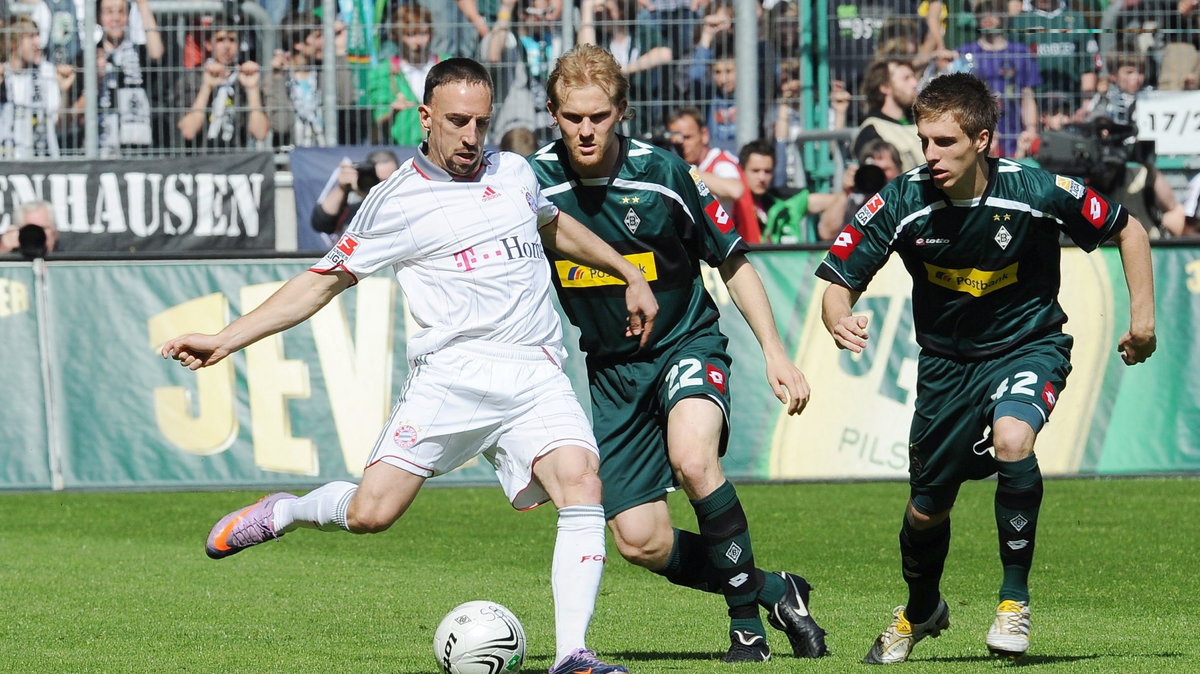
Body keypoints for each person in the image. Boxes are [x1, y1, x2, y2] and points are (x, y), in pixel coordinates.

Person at [163, 58, 654, 674]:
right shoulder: (395, 201)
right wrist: (227, 339)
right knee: (372, 514)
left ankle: (573, 656)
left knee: (582, 482)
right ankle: (286, 510)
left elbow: (554, 228)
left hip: (534, 372)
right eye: (456, 122)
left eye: (481, 121)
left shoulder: (515, 172)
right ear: (426, 118)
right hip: (452, 376)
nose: (471, 137)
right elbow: (319, 285)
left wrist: (628, 269)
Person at [816, 72, 1156, 664]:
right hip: (946, 370)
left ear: (981, 139)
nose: (930, 155)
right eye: (924, 141)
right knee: (926, 510)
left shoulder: (1036, 190)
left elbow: (1129, 229)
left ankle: (1013, 605)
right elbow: (837, 278)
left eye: (944, 142)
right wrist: (837, 315)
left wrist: (1143, 320)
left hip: (1029, 346)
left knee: (1013, 438)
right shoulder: (902, 200)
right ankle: (921, 610)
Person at [530, 44, 828, 662]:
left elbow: (734, 262)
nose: (586, 131)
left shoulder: (663, 175)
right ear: (553, 115)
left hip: (686, 344)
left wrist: (774, 351)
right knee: (639, 540)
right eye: (572, 117)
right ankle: (776, 591)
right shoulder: (533, 185)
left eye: (599, 116)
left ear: (622, 112)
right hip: (612, 373)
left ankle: (746, 628)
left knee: (694, 461)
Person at [667, 106, 760, 243]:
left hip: (732, 248)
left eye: (687, 137)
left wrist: (689, 172)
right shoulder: (690, 166)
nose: (682, 144)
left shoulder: (720, 162)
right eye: (676, 140)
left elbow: (735, 189)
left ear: (704, 135)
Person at [175, 23, 269, 151]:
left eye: (232, 40)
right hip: (198, 161)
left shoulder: (245, 78)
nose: (227, 46)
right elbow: (188, 131)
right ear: (208, 44)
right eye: (220, 40)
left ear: (239, 45)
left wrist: (252, 90)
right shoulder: (192, 78)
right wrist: (206, 87)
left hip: (237, 160)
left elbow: (260, 133)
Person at [738, 139, 844, 244]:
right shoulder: (734, 206)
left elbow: (835, 201)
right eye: (755, 171)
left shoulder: (787, 199)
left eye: (767, 171)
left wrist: (826, 232)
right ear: (742, 170)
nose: (762, 177)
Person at [368, 3, 445, 146]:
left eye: (423, 33)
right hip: (401, 149)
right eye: (410, 35)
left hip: (441, 146)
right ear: (396, 36)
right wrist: (392, 110)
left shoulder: (446, 65)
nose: (418, 42)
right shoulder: (384, 71)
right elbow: (377, 115)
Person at [0, 16, 75, 158]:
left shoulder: (46, 72)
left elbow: (60, 125)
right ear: (13, 43)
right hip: (8, 163)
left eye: (38, 36)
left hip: (42, 163)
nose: (38, 43)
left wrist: (64, 93)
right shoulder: (3, 75)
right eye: (30, 37)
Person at [853, 58, 923, 173]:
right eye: (906, 78)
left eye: (913, 77)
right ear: (885, 87)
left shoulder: (921, 121)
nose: (915, 83)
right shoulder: (873, 130)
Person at [311, 149, 400, 237]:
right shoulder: (353, 200)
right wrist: (342, 188)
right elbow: (320, 224)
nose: (381, 187)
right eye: (376, 181)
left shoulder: (403, 202)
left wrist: (366, 194)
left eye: (387, 182)